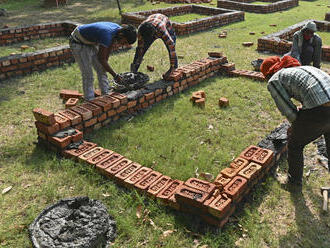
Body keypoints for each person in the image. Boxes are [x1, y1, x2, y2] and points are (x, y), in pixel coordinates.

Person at [260, 55, 330, 188]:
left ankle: (293, 183)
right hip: (323, 105)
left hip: (320, 109)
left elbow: (289, 112)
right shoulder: (301, 69)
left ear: (268, 74)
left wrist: (295, 126)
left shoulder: (274, 80)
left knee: (295, 144)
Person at [69, 22, 137, 100]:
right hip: (78, 42)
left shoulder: (117, 31)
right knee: (88, 74)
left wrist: (105, 64)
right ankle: (89, 99)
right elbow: (102, 59)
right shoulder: (106, 35)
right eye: (124, 42)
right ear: (121, 35)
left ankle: (106, 93)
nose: (122, 44)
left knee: (102, 69)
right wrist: (115, 75)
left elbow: (107, 52)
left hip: (90, 42)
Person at [130, 14, 178, 79]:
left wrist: (172, 68)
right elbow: (140, 48)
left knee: (171, 46)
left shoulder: (161, 30)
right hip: (153, 21)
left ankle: (174, 68)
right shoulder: (141, 30)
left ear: (155, 33)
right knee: (141, 49)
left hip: (165, 22)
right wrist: (138, 60)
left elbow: (171, 47)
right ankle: (134, 70)